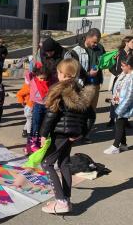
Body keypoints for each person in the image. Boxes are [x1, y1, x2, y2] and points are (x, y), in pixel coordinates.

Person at [39, 59, 94, 214]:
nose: (57, 75)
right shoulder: (81, 91)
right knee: (64, 163)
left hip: (60, 134)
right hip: (71, 135)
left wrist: (43, 134)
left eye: (58, 72)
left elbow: (51, 115)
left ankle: (61, 201)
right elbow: (91, 116)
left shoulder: (59, 90)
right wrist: (81, 133)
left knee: (47, 164)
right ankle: (66, 199)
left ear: (63, 74)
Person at [66, 28, 105, 139]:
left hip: (95, 84)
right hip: (81, 85)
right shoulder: (76, 51)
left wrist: (111, 59)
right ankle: (77, 132)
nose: (95, 44)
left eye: (97, 42)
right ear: (87, 38)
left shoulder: (100, 48)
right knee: (80, 110)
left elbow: (104, 62)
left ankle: (86, 133)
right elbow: (74, 71)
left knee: (92, 111)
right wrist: (88, 74)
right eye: (94, 42)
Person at [104, 55, 133, 154]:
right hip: (118, 102)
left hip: (124, 105)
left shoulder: (132, 77)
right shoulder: (124, 74)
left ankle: (115, 146)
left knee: (119, 124)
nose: (121, 67)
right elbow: (118, 88)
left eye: (123, 65)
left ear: (129, 66)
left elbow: (130, 96)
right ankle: (124, 145)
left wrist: (121, 109)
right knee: (121, 123)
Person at [107, 36, 133, 127]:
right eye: (132, 42)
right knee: (115, 99)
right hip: (118, 79)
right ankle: (112, 118)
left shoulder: (132, 54)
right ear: (126, 42)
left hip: (128, 80)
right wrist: (117, 74)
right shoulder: (118, 53)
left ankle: (124, 120)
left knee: (126, 100)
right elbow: (110, 66)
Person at [26, 62, 50, 155]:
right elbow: (28, 74)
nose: (43, 80)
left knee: (43, 125)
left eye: (45, 78)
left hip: (46, 105)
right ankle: (32, 143)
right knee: (35, 124)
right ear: (36, 76)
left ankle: (40, 142)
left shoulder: (48, 82)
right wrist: (34, 65)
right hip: (37, 105)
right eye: (41, 78)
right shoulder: (33, 80)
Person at [16, 72, 34, 138]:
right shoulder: (28, 86)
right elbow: (19, 94)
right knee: (30, 120)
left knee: (29, 120)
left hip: (31, 105)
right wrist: (22, 102)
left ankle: (25, 131)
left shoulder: (30, 85)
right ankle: (29, 135)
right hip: (29, 106)